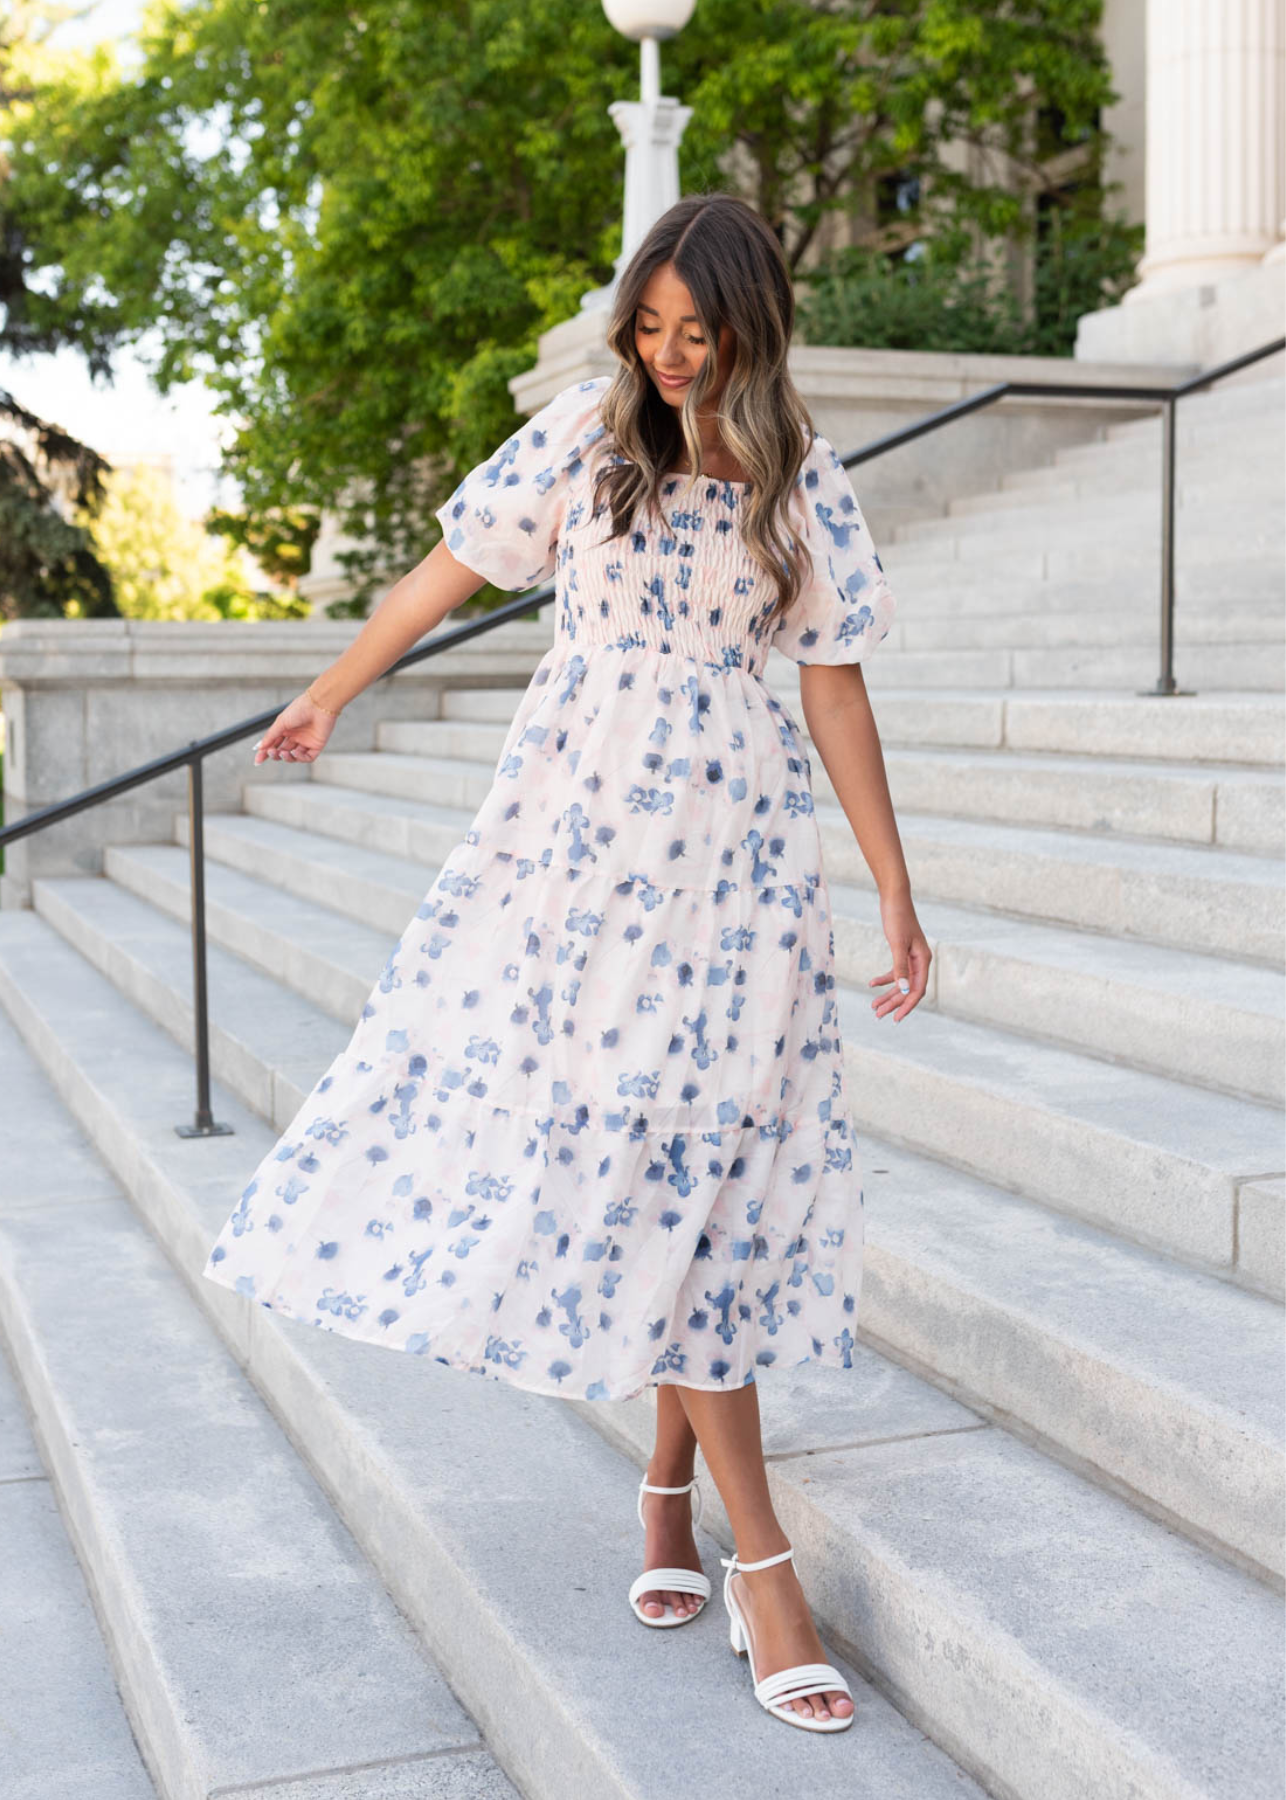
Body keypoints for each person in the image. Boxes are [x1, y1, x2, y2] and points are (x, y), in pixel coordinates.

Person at [202, 190, 930, 1733]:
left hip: (737, 867)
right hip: (580, 862)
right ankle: (761, 1568)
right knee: (654, 1160)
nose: (669, 357)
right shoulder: (585, 449)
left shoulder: (805, 487)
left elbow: (838, 698)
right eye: (650, 328)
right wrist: (327, 693)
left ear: (750, 332)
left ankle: (674, 1493)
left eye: (697, 332)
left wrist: (892, 888)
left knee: (712, 1175)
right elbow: (441, 574)